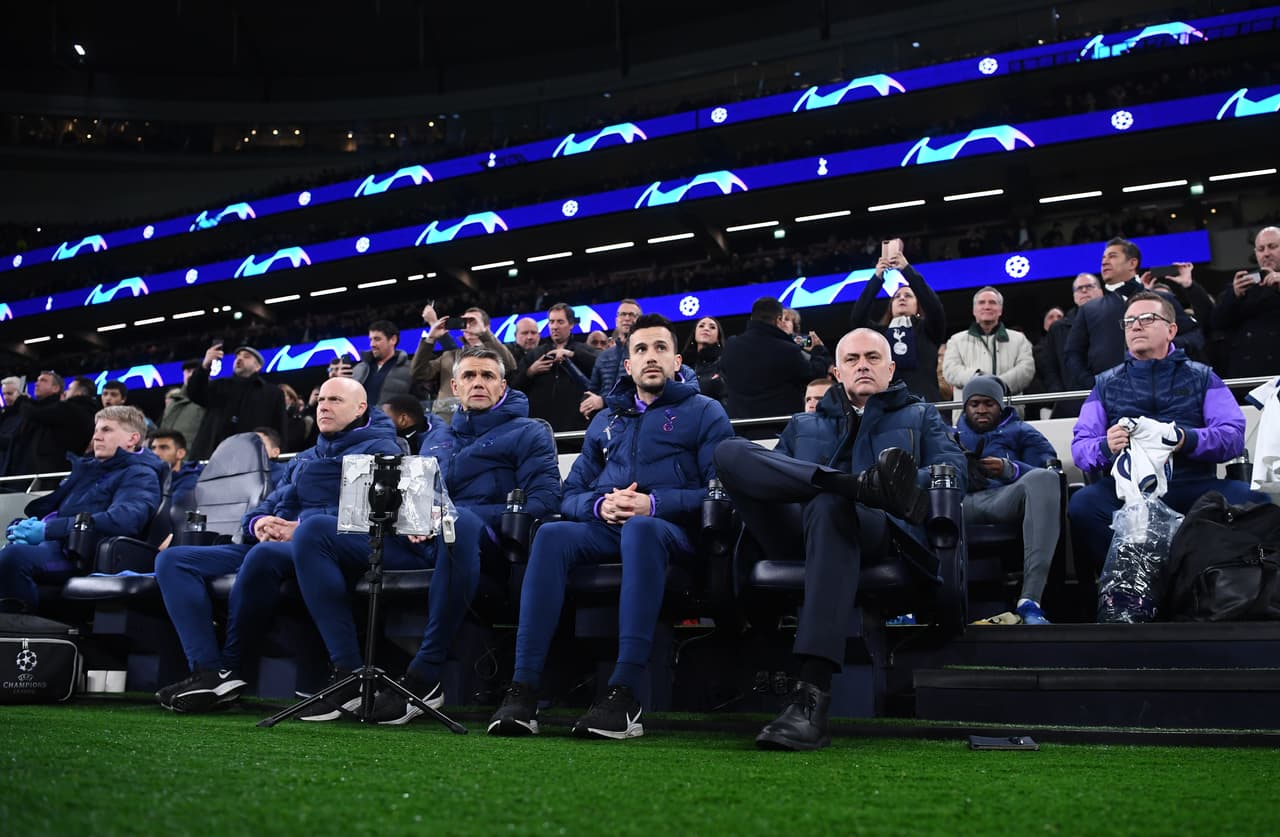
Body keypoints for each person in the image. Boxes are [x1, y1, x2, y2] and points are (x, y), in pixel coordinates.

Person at [713, 328, 965, 750]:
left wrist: (893, 486)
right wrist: (852, 484)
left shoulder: (920, 415)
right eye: (851, 359)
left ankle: (811, 695)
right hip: (798, 529)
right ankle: (851, 485)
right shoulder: (803, 422)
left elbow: (953, 472)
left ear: (890, 367)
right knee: (728, 453)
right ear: (836, 371)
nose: (862, 365)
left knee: (831, 505)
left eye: (871, 357)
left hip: (878, 530)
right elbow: (771, 479)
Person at [488, 314, 733, 740]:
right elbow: (569, 495)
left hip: (672, 534)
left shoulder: (705, 411)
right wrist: (600, 505)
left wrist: (653, 503)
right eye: (640, 350)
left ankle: (625, 694)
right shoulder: (606, 420)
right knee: (551, 533)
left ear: (678, 360)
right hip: (608, 528)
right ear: (627, 364)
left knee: (641, 529)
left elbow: (722, 491)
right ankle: (523, 689)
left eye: (660, 348)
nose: (650, 357)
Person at [304, 346, 561, 724]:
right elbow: (413, 497)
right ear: (454, 387)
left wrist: (447, 517)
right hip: (420, 543)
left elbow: (543, 500)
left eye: (487, 376)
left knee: (463, 523)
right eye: (470, 377)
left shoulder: (530, 431)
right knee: (315, 531)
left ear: (503, 385)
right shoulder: (436, 439)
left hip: (487, 547)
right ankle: (348, 675)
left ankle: (424, 674)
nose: (478, 383)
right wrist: (410, 518)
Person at [153, 378, 401, 713]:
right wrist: (259, 523)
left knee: (268, 552)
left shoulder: (383, 449)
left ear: (360, 408)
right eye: (322, 399)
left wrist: (296, 529)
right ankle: (209, 670)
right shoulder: (306, 456)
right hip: (273, 542)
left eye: (336, 400)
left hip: (326, 546)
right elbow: (266, 505)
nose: (324, 406)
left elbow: (368, 513)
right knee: (174, 561)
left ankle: (232, 665)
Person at [1067, 293, 1269, 577]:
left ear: (1172, 330)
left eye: (1147, 319)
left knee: (1258, 503)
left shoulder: (1203, 377)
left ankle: (1221, 585)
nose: (1136, 326)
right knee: (1083, 505)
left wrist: (1185, 439)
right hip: (1130, 492)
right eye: (1129, 322)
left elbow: (1232, 435)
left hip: (1193, 484)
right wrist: (1105, 445)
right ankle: (1128, 583)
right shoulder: (1105, 384)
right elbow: (1081, 446)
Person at [1, 406, 165, 612]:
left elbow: (124, 520)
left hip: (83, 556)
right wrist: (22, 527)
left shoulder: (140, 475)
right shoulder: (89, 469)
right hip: (56, 547)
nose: (96, 437)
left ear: (132, 439)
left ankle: (18, 631)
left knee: (14, 558)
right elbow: (56, 513)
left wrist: (48, 530)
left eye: (106, 430)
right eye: (96, 430)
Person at [953, 375, 1061, 624]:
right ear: (965, 407)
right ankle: (920, 605)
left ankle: (1030, 600)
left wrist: (1010, 469)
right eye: (975, 404)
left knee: (1045, 480)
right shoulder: (949, 436)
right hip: (961, 503)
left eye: (989, 404)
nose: (981, 410)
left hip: (1005, 499)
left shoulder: (1023, 431)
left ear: (1000, 406)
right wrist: (960, 470)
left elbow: (1048, 471)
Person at [1063, 237, 1202, 391]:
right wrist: (1094, 385)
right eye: (1103, 258)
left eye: (1112, 256)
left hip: (1165, 387)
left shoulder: (1163, 299)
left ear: (1132, 263)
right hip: (1111, 396)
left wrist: (1168, 345)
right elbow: (1073, 353)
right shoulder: (1089, 309)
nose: (1104, 262)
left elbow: (1195, 335)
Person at [850, 245, 947, 402]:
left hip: (924, 404)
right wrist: (877, 278)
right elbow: (857, 319)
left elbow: (934, 307)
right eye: (897, 296)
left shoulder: (928, 329)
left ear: (918, 305)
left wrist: (907, 270)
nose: (902, 298)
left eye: (908, 295)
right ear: (890, 307)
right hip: (887, 406)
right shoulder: (878, 335)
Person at [719, 297, 830, 419]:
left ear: (752, 318)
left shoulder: (731, 345)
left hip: (740, 427)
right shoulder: (788, 350)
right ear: (778, 320)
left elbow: (724, 374)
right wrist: (819, 351)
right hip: (779, 427)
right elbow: (815, 374)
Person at [185, 343, 287, 461]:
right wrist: (204, 367)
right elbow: (194, 393)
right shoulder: (218, 385)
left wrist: (277, 458)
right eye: (238, 356)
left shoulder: (273, 393)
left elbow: (279, 428)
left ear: (257, 366)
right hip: (212, 455)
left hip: (250, 459)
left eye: (246, 356)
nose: (239, 358)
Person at [511, 302, 599, 431]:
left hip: (575, 428)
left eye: (560, 322)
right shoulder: (535, 354)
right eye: (551, 322)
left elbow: (600, 367)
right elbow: (514, 386)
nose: (555, 327)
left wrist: (571, 355)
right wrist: (530, 371)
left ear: (571, 324)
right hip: (540, 429)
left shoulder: (583, 351)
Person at [414, 305, 516, 410]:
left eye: (474, 322)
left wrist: (484, 334)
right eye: (465, 322)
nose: (469, 326)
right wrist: (430, 339)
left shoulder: (495, 354)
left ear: (487, 327)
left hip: (486, 416)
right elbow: (418, 372)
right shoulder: (449, 355)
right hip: (448, 419)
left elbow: (510, 366)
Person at [942, 286, 1035, 400]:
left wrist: (997, 384)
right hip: (967, 413)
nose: (987, 307)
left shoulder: (1019, 339)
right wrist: (978, 378)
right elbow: (950, 371)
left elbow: (1026, 370)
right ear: (974, 310)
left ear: (1000, 310)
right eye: (981, 303)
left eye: (992, 302)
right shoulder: (956, 340)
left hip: (1008, 412)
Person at [1211, 226, 1280, 379]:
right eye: (1261, 249)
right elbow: (1216, 324)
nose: (1266, 253)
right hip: (1248, 374)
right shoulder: (1244, 285)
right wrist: (1234, 295)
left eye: (1273, 247)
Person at [10, 371, 97, 488]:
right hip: (67, 468)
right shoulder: (91, 414)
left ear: (79, 392)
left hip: (49, 472)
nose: (66, 392)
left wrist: (22, 400)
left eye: (70, 388)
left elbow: (36, 414)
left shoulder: (69, 408)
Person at [1038, 273, 1104, 418]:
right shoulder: (1058, 328)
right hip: (1071, 403)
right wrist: (1060, 395)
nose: (1084, 291)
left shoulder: (1113, 320)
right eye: (1079, 288)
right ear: (1074, 296)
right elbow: (1050, 367)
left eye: (1089, 286)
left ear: (1100, 291)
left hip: (1110, 396)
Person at [579, 300, 643, 420]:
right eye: (623, 314)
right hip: (605, 420)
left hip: (635, 418)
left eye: (632, 315)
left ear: (640, 320)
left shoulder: (644, 352)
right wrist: (587, 403)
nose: (627, 318)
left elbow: (642, 391)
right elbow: (593, 389)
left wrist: (603, 401)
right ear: (616, 319)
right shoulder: (604, 356)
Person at [351, 320, 414, 407]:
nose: (372, 344)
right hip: (363, 420)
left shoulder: (410, 368)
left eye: (377, 339)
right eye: (371, 339)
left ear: (393, 339)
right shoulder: (360, 368)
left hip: (392, 420)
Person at [148, 430, 202, 508]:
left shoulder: (190, 482)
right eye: (153, 448)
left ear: (180, 453)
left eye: (163, 448)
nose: (156, 453)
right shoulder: (149, 476)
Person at [160, 360, 206, 450]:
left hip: (195, 458)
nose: (191, 375)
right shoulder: (173, 402)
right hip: (169, 457)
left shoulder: (210, 399)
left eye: (195, 372)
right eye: (188, 371)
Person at [683, 316, 728, 405]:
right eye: (701, 326)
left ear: (718, 338)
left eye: (712, 327)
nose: (706, 329)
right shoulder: (683, 365)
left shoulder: (724, 362)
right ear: (694, 333)